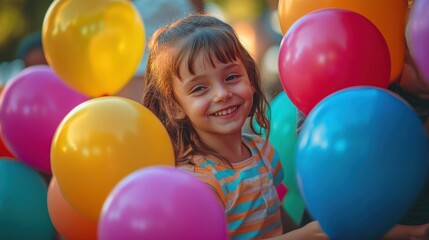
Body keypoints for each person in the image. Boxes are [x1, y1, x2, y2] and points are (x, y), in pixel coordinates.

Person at [142, 14, 327, 239]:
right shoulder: (198, 183)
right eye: (200, 88)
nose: (222, 94)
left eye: (231, 77)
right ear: (174, 107)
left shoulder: (263, 151)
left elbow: (277, 220)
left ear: (250, 79)